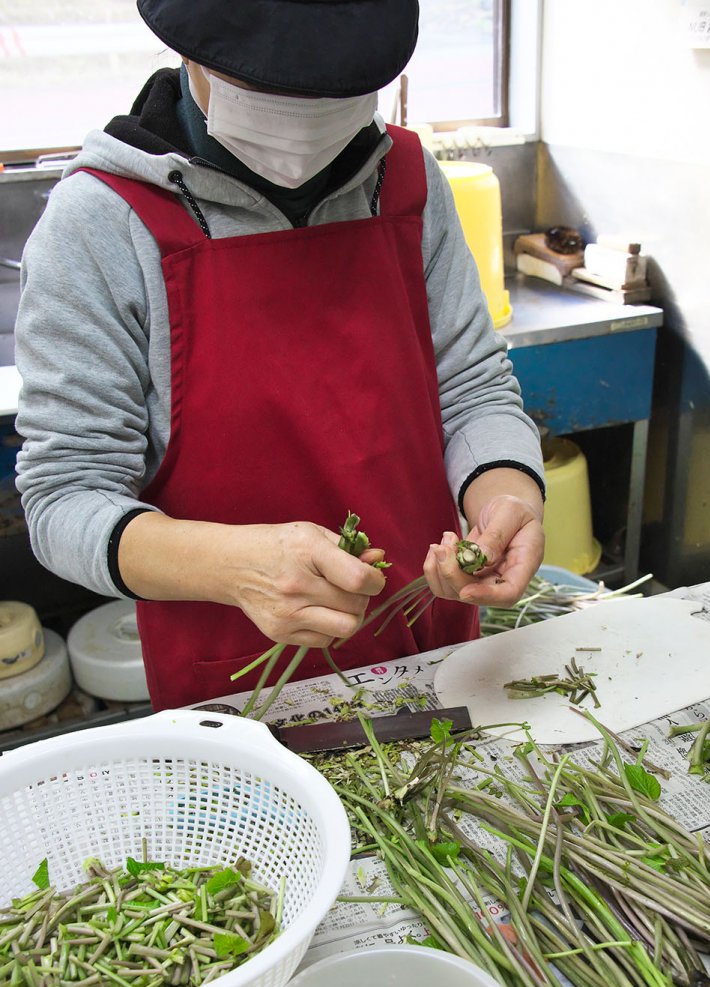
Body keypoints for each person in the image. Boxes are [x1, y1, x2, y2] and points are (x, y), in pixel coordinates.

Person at [14, 0, 545, 712]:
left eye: (335, 92)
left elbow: (473, 389)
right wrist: (236, 567)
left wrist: (506, 494)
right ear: (195, 54)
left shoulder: (411, 187)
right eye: (274, 89)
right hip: (243, 688)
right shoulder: (102, 224)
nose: (307, 114)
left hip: (436, 653)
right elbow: (64, 498)